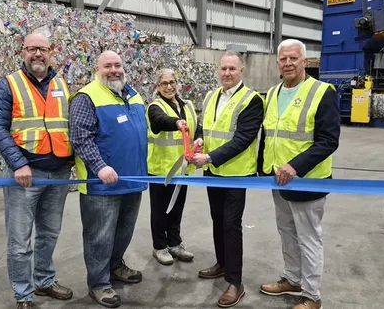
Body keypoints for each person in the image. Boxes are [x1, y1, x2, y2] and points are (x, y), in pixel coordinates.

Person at [0, 33, 74, 309]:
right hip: (25, 175)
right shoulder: (9, 85)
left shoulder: (62, 84)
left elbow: (69, 124)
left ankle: (45, 281)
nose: (38, 54)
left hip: (59, 172)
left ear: (52, 52)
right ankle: (24, 294)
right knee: (20, 240)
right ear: (22, 52)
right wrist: (18, 163)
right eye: (32, 49)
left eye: (43, 49)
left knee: (49, 233)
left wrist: (72, 158)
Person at [257, 39, 340, 309]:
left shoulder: (322, 92)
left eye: (294, 58)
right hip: (277, 180)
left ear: (305, 61)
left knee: (308, 237)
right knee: (287, 232)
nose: (288, 63)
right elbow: (268, 135)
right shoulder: (272, 93)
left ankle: (312, 296)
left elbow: (328, 141)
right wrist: (262, 168)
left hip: (307, 180)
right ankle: (292, 279)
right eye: (283, 59)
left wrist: (295, 166)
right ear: (278, 63)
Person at [68, 50, 148, 308]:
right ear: (97, 69)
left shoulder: (134, 95)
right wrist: (99, 166)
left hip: (132, 179)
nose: (113, 70)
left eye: (117, 65)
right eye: (107, 66)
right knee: (99, 236)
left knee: (124, 231)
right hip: (101, 183)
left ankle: (115, 266)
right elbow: (80, 137)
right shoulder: (86, 96)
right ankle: (99, 283)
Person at [189, 50, 265, 308]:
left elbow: (243, 139)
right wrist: (199, 140)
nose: (227, 73)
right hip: (213, 173)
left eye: (232, 69)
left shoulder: (252, 100)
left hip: (235, 174)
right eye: (223, 69)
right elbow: (204, 126)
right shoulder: (211, 95)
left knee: (231, 224)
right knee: (217, 221)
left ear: (242, 71)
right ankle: (222, 264)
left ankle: (235, 282)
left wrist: (209, 157)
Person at [146, 68, 196, 266]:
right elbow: (159, 121)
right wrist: (176, 122)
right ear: (158, 87)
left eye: (172, 82)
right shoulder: (154, 106)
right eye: (164, 83)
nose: (169, 86)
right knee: (159, 210)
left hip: (182, 168)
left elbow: (196, 126)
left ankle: (175, 243)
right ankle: (159, 246)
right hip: (161, 168)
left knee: (177, 208)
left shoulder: (188, 105)